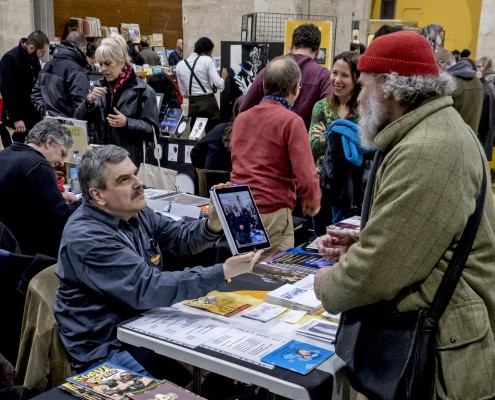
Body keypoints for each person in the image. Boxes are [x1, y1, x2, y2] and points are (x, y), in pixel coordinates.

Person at [314, 30, 495, 399]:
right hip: (433, 338)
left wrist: (326, 285)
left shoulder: (428, 149)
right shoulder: (431, 132)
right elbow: (426, 230)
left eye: (363, 87)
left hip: (436, 351)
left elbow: (381, 267)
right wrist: (362, 239)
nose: (359, 98)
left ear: (390, 87)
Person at [54, 144, 262, 384]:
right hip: (103, 345)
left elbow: (178, 237)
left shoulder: (135, 212)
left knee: (215, 375)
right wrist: (223, 271)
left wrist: (212, 224)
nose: (138, 183)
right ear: (97, 195)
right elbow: (146, 287)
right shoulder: (87, 236)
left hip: (144, 326)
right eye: (124, 179)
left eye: (134, 173)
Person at [230, 55, 321, 258]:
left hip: (238, 207)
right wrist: (312, 200)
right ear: (297, 88)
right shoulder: (291, 122)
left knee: (242, 267)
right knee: (269, 274)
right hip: (271, 208)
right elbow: (306, 172)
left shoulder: (242, 118)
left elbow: (236, 158)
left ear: (262, 85)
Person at [308, 51, 373, 235]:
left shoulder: (365, 110)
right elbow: (312, 144)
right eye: (334, 73)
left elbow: (368, 146)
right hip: (324, 185)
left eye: (344, 75)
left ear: (357, 79)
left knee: (347, 240)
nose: (337, 79)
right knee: (320, 240)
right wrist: (341, 137)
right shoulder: (321, 106)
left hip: (355, 186)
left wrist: (328, 135)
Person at [75, 34, 159, 166]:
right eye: (100, 64)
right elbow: (79, 121)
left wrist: (127, 123)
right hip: (100, 159)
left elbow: (153, 131)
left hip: (129, 162)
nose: (103, 69)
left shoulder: (143, 91)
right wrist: (88, 102)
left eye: (108, 64)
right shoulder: (98, 87)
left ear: (122, 61)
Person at [0, 119, 80, 257]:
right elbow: (63, 216)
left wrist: (58, 195)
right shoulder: (38, 164)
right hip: (29, 251)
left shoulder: (8, 152)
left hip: (8, 243)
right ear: (49, 143)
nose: (61, 162)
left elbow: (20, 195)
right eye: (62, 153)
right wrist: (85, 202)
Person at [239, 23, 332, 129]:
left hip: (266, 139)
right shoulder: (323, 76)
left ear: (292, 44)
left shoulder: (269, 70)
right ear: (318, 50)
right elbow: (329, 115)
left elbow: (244, 111)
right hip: (304, 141)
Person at [0, 30, 50, 141]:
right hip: (18, 120)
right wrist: (16, 118)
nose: (43, 55)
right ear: (32, 47)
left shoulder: (34, 59)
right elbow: (8, 92)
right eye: (42, 51)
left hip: (33, 115)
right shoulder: (10, 59)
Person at [31, 31, 90, 118]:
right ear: (83, 49)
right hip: (70, 126)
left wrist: (46, 111)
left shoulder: (47, 65)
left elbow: (35, 94)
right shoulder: (76, 70)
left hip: (48, 122)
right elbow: (81, 105)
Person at [176, 37, 228, 133]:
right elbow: (219, 84)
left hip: (193, 105)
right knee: (214, 133)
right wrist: (223, 77)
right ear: (205, 53)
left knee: (194, 135)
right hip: (209, 104)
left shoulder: (180, 65)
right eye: (210, 53)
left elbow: (184, 93)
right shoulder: (206, 60)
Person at [190, 95, 244, 171]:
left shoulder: (220, 128)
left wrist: (204, 173)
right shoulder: (251, 134)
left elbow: (195, 152)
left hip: (211, 178)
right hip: (232, 178)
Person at [435, 48, 483, 133]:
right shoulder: (477, 81)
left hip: (452, 139)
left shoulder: (448, 84)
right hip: (472, 138)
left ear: (440, 65)